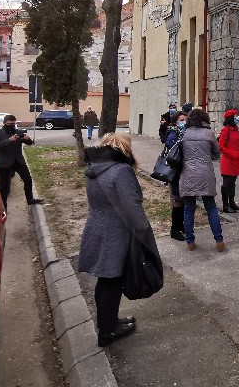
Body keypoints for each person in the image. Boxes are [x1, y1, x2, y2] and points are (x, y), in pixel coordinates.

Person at [79, 132, 158, 347]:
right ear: (125, 148)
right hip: (115, 231)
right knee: (112, 282)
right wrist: (144, 233)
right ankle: (108, 331)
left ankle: (109, 322)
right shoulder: (121, 170)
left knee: (106, 280)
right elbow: (132, 207)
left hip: (96, 227)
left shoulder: (95, 168)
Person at [179, 108, 224, 251]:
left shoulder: (184, 133)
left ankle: (190, 242)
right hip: (205, 174)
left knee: (189, 209)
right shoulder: (209, 133)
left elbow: (179, 154)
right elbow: (216, 153)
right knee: (210, 207)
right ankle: (219, 240)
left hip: (188, 174)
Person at [0, 115, 42, 209]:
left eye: (13, 124)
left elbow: (30, 143)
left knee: (27, 179)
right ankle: (3, 206)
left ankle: (30, 199)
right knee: (4, 186)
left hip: (18, 160)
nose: (12, 125)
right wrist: (9, 140)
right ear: (4, 123)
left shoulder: (18, 132)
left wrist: (27, 139)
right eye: (9, 124)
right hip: (4, 162)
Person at [164, 111, 188, 241]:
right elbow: (172, 148)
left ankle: (181, 225)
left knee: (183, 200)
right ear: (176, 122)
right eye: (182, 120)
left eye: (185, 120)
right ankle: (175, 229)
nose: (184, 122)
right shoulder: (173, 134)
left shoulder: (184, 133)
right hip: (176, 172)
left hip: (184, 171)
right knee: (178, 200)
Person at [218, 108, 239, 213]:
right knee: (227, 184)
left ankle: (231, 203)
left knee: (232, 183)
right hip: (228, 161)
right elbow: (221, 145)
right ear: (231, 118)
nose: (237, 118)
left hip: (236, 160)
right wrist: (231, 154)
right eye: (235, 116)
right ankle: (225, 206)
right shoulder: (226, 130)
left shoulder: (235, 129)